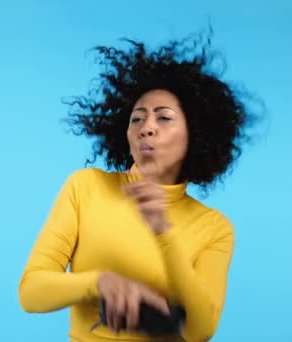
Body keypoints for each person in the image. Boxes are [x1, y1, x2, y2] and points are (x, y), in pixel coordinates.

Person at [18, 28, 259, 342]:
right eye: (137, 118)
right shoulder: (86, 187)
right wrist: (99, 282)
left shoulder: (214, 228)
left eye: (164, 118)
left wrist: (164, 233)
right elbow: (31, 293)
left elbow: (201, 331)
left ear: (195, 134)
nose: (147, 128)